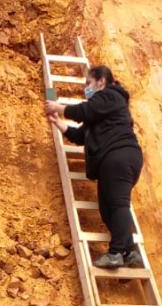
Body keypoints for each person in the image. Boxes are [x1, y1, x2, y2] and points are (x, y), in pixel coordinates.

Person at [44, 65, 144, 269]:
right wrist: (58, 122)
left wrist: (58, 107)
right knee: (108, 208)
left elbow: (84, 110)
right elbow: (81, 135)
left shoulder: (110, 96)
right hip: (118, 159)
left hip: (119, 156)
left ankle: (116, 253)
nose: (86, 88)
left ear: (101, 82)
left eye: (88, 83)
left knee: (117, 204)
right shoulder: (101, 112)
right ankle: (129, 251)